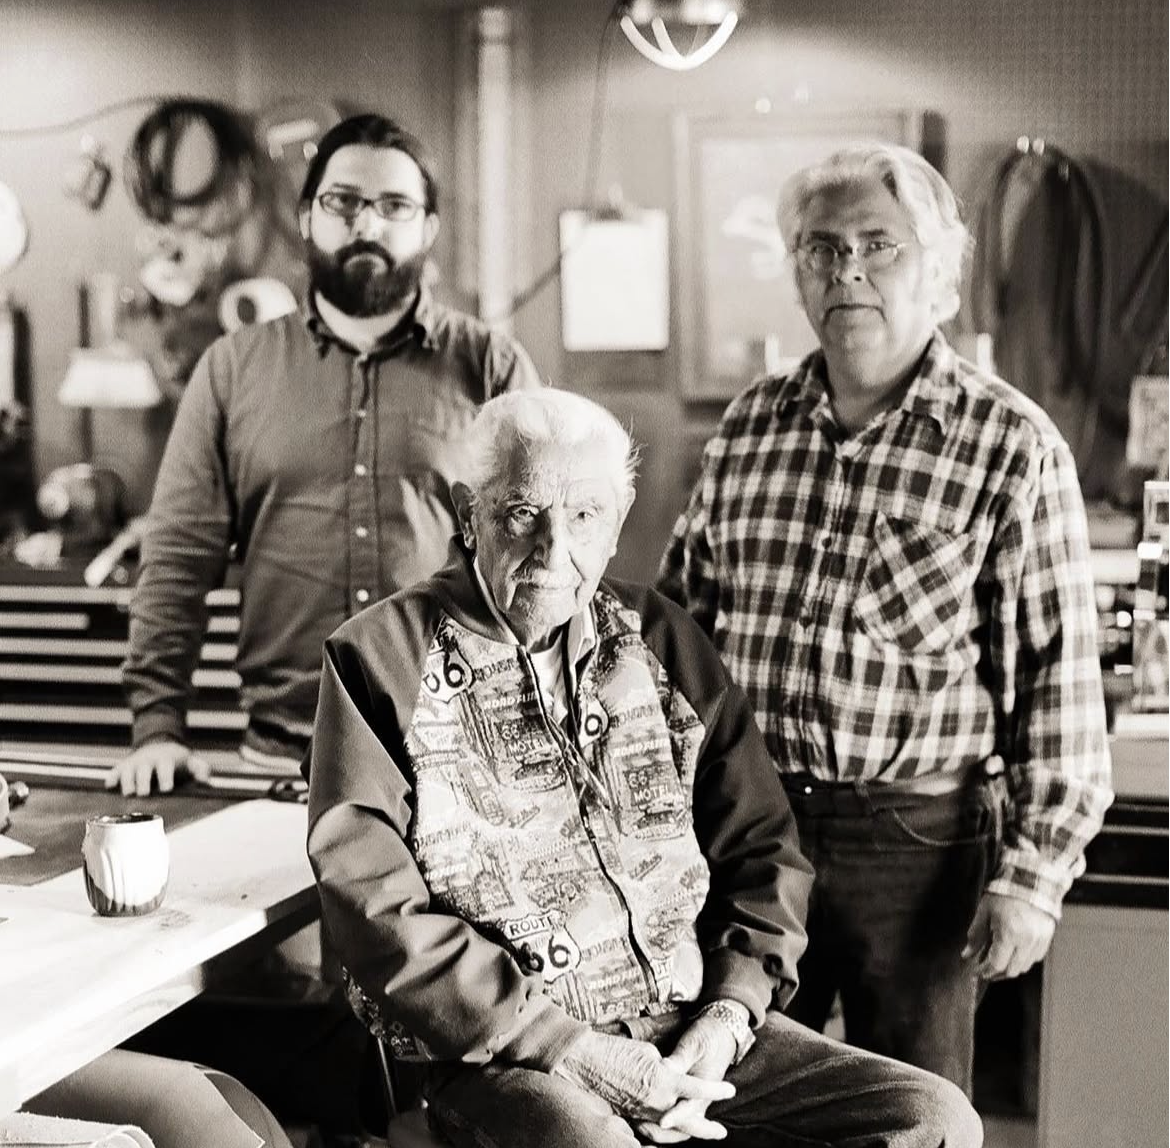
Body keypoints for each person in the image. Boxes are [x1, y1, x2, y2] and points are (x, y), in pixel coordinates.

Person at [306, 388, 982, 1148]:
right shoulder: (378, 658)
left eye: (585, 518)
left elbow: (763, 850)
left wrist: (726, 1019)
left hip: (688, 1019)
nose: (554, 554)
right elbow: (375, 911)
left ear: (617, 523)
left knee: (934, 1118)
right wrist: (571, 1048)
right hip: (497, 1052)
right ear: (469, 515)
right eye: (522, 514)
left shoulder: (661, 639)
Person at [658, 142, 1113, 1092]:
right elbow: (680, 637)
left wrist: (1032, 879)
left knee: (909, 1105)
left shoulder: (1012, 445)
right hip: (753, 825)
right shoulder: (749, 426)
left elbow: (1057, 684)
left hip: (918, 846)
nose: (848, 271)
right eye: (822, 249)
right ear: (796, 274)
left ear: (940, 275)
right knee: (731, 1092)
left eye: (880, 245)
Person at [110, 112, 541, 797]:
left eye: (394, 205)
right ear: (308, 217)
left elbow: (540, 564)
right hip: (282, 764)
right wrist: (158, 726)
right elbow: (178, 555)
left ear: (428, 227)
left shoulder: (492, 366)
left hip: (454, 768)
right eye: (343, 202)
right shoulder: (232, 369)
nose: (366, 224)